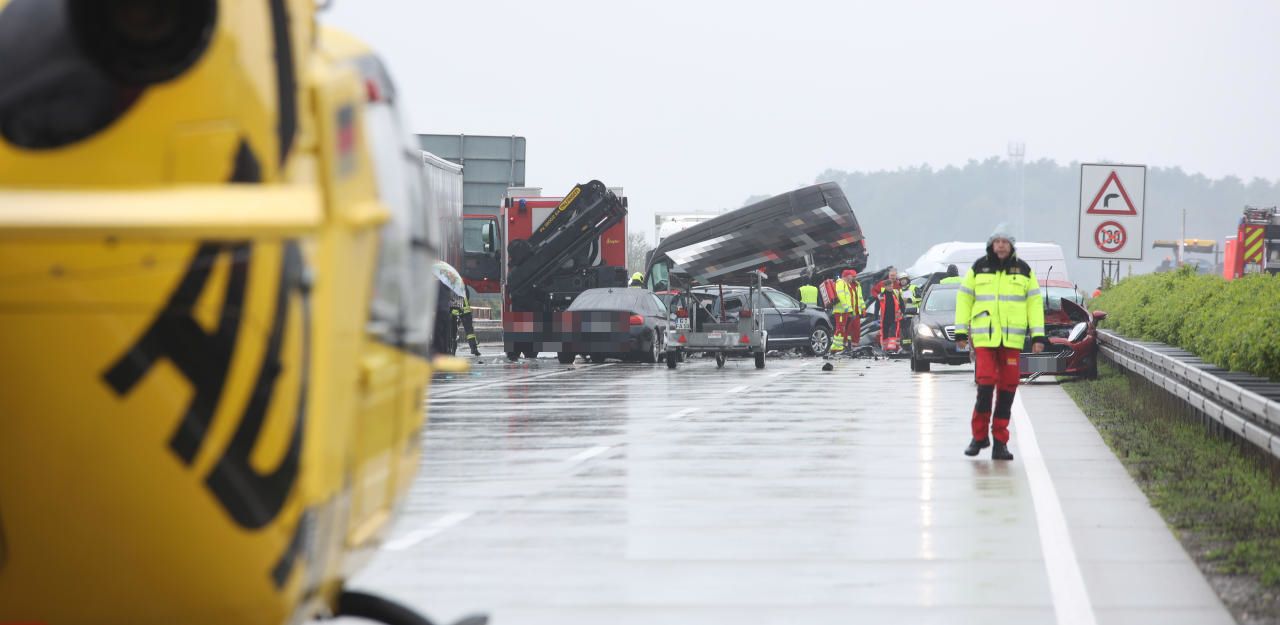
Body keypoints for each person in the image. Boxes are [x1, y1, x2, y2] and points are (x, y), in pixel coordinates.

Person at [954, 231, 1046, 461]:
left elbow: (1034, 303)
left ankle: (1000, 443)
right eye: (998, 242)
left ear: (1011, 246)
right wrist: (961, 331)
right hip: (985, 338)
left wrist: (1038, 336)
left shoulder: (1024, 270)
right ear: (991, 245)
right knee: (985, 386)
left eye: (1005, 242)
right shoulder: (979, 268)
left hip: (1011, 341)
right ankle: (979, 437)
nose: (1001, 246)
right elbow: (964, 299)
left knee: (1007, 390)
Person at [829, 269, 863, 354]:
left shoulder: (845, 284)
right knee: (840, 328)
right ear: (847, 276)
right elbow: (841, 296)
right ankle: (836, 347)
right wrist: (847, 307)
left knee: (842, 328)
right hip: (841, 310)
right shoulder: (840, 283)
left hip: (843, 311)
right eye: (852, 276)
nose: (852, 278)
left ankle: (838, 346)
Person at [874, 268, 903, 350]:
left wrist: (902, 311)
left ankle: (894, 348)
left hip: (896, 315)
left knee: (895, 332)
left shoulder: (898, 287)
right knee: (885, 333)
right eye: (891, 275)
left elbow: (901, 302)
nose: (892, 277)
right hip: (885, 316)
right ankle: (886, 348)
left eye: (894, 275)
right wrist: (876, 317)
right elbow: (875, 296)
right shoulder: (882, 287)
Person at [452, 289, 481, 357]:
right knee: (470, 332)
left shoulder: (449, 285)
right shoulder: (462, 285)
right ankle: (474, 349)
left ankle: (452, 350)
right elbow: (467, 295)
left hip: (454, 312)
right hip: (466, 311)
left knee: (453, 332)